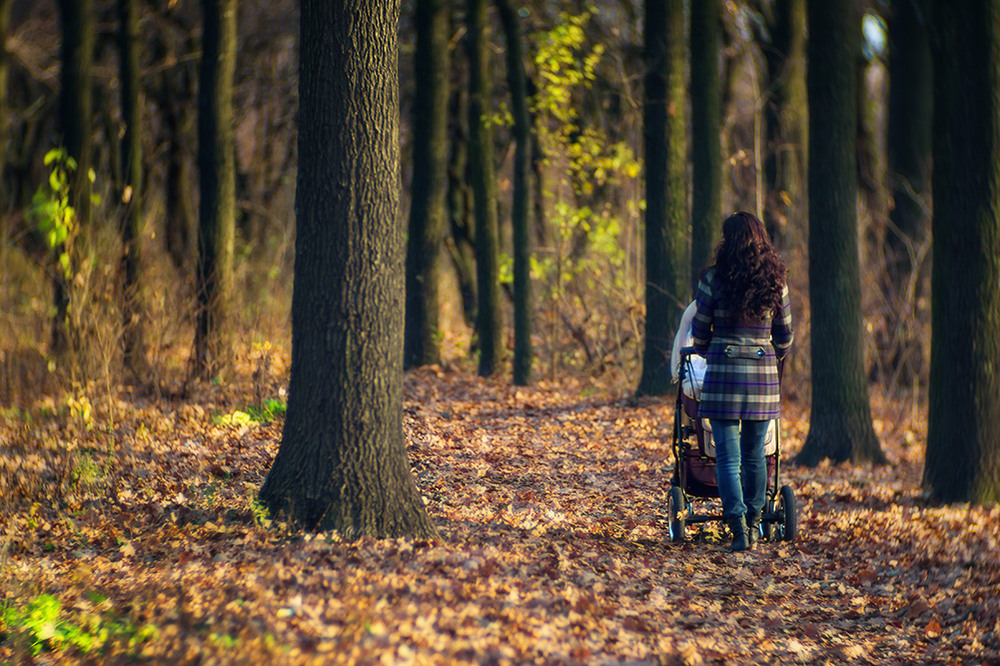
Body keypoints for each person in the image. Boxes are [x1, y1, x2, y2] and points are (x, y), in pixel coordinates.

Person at [691, 212, 793, 552]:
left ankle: (738, 528)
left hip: (723, 374)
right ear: (761, 238)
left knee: (727, 458)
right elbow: (786, 337)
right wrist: (768, 349)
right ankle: (753, 520)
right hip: (762, 379)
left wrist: (709, 348)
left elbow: (699, 329)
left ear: (727, 240)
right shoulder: (777, 281)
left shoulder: (713, 279)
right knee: (755, 457)